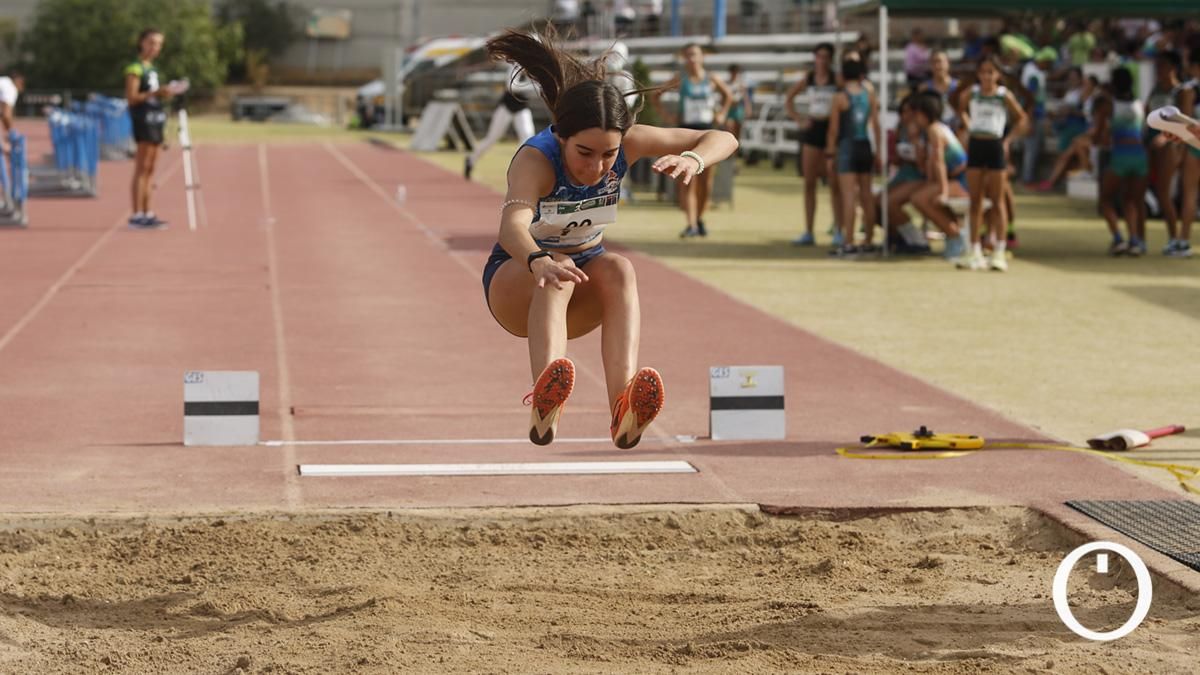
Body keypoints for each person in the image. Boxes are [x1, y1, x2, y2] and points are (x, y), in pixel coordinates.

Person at [480, 28, 737, 448]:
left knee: (619, 267)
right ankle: (546, 403)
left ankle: (624, 408)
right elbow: (512, 226)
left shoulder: (630, 141)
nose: (597, 167)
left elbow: (724, 138)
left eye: (609, 155)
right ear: (561, 136)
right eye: (584, 153)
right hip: (518, 284)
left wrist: (694, 158)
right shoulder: (536, 159)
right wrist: (538, 260)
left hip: (585, 283)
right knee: (559, 271)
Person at [653, 43, 733, 238]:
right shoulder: (681, 79)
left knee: (706, 181)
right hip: (686, 132)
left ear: (702, 57)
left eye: (695, 54)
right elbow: (656, 94)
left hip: (707, 133)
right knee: (688, 180)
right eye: (688, 55)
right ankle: (691, 224)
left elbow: (728, 96)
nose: (692, 58)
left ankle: (699, 218)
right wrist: (667, 116)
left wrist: (722, 113)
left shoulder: (711, 78)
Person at [956, 56, 1027, 271]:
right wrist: (969, 126)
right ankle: (974, 249)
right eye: (983, 72)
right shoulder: (972, 93)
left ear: (998, 74)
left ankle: (999, 250)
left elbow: (1021, 118)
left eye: (991, 72)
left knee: (997, 201)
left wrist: (1008, 141)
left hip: (995, 144)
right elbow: (960, 108)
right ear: (978, 74)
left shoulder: (1003, 96)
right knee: (975, 200)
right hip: (976, 144)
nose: (987, 76)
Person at [784, 42, 839, 246]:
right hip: (813, 129)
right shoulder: (808, 79)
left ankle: (838, 228)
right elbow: (789, 98)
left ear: (831, 59)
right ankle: (809, 231)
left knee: (834, 183)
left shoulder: (836, 79)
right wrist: (799, 119)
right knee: (809, 182)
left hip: (831, 130)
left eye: (826, 57)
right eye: (819, 56)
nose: (822, 61)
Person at [825, 56, 881, 257]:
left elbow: (833, 129)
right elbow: (876, 124)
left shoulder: (840, 97)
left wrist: (830, 153)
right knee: (866, 195)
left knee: (849, 196)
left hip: (847, 147)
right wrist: (879, 151)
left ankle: (848, 241)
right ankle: (868, 239)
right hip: (864, 145)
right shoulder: (869, 94)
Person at [1093, 67, 1149, 257]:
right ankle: (1135, 240)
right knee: (1131, 200)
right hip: (1140, 156)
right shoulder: (1140, 104)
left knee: (1105, 200)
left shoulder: (1108, 105)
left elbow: (1098, 134)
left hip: (1119, 156)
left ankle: (1118, 239)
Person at [909, 92, 971, 261]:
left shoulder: (935, 130)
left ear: (924, 114)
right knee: (922, 198)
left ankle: (954, 235)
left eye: (916, 114)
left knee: (919, 199)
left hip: (963, 182)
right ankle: (953, 233)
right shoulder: (935, 129)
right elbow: (932, 163)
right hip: (956, 180)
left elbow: (939, 163)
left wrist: (943, 191)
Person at [125, 28, 174, 229]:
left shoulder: (152, 69)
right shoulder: (135, 68)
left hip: (155, 119)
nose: (155, 47)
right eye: (152, 42)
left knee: (151, 168)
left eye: (159, 44)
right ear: (142, 43)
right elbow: (132, 97)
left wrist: (165, 94)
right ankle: (137, 214)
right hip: (143, 120)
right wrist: (155, 93)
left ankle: (148, 211)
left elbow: (154, 94)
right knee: (142, 167)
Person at [465, 62, 537, 180]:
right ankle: (471, 159)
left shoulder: (534, 69)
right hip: (506, 107)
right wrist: (532, 86)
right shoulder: (515, 66)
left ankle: (521, 168)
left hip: (522, 107)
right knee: (492, 138)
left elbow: (536, 89)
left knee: (528, 137)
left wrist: (535, 86)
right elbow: (511, 86)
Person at [1145, 49, 1185, 253]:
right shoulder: (1156, 89)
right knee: (1158, 191)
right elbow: (1147, 112)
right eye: (1157, 66)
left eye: (1163, 65)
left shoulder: (1179, 91)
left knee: (1164, 191)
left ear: (1173, 67)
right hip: (1152, 144)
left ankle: (1176, 238)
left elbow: (1184, 122)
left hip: (1171, 145)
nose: (1159, 69)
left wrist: (1165, 137)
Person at [1171, 48, 1199, 258]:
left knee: (1190, 193)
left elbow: (1186, 123)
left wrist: (1180, 151)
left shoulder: (1190, 90)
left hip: (1195, 146)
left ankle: (1183, 241)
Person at [1019, 47, 1056, 186]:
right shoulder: (1033, 75)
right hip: (1033, 116)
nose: (1049, 66)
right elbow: (1031, 99)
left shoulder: (1031, 70)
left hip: (1034, 115)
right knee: (1031, 148)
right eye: (1049, 63)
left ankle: (1027, 177)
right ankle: (1027, 179)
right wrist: (1029, 120)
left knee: (1032, 148)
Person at [922, 50, 959, 130]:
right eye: (934, 62)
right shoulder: (924, 88)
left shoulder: (959, 87)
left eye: (940, 61)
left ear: (948, 63)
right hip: (933, 131)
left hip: (955, 130)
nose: (937, 66)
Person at [724, 64, 752, 142]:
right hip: (729, 108)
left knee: (738, 130)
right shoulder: (726, 84)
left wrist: (748, 108)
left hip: (738, 108)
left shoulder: (740, 84)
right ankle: (731, 146)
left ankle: (737, 147)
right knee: (729, 128)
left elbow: (745, 98)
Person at [0, 68, 24, 155]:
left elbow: (3, 114)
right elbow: (6, 115)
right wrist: (11, 132)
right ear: (17, 80)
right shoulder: (11, 88)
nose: (22, 86)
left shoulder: (4, 81)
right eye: (22, 82)